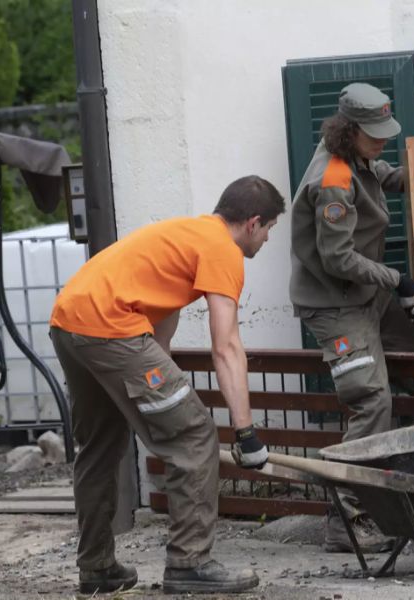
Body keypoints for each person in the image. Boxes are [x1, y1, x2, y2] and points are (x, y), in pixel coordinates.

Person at [49, 176, 285, 594]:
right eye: (268, 230)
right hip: (111, 329)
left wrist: (159, 386)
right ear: (253, 223)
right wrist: (246, 433)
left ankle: (97, 567)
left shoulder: (187, 234)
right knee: (194, 435)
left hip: (69, 321)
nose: (266, 240)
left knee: (100, 446)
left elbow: (161, 319)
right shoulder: (223, 251)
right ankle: (189, 564)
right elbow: (227, 346)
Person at [289, 82, 414, 552]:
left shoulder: (355, 155)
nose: (383, 141)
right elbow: (339, 260)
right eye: (375, 135)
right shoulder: (332, 178)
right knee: (370, 399)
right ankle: (346, 519)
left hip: (365, 295)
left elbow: (381, 173)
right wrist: (399, 280)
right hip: (336, 303)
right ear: (348, 132)